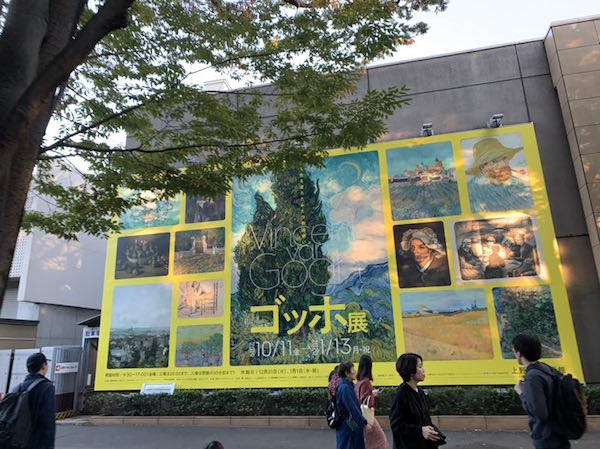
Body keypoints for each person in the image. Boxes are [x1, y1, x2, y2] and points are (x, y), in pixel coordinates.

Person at [512, 333, 570, 449]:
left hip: (547, 436)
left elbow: (539, 413)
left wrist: (521, 392)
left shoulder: (533, 376)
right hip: (559, 431)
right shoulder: (545, 369)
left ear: (519, 354)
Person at [465, 137, 533, 213]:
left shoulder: (519, 184)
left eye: (504, 158)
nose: (502, 164)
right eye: (494, 161)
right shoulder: (472, 190)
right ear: (483, 168)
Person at [389, 353, 442, 449]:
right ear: (411, 371)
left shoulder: (420, 391)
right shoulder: (401, 395)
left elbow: (426, 419)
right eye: (420, 366)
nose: (423, 370)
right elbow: (396, 426)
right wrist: (420, 431)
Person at [21, 352, 55, 449]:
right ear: (43, 366)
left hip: (17, 441)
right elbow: (47, 421)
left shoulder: (18, 387)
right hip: (36, 442)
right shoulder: (47, 387)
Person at [355, 355, 388, 449]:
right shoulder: (366, 382)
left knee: (370, 442)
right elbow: (367, 401)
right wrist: (375, 395)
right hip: (368, 416)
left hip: (361, 415)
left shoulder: (359, 382)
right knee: (381, 441)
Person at [336, 361, 368, 449]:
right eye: (353, 369)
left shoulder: (346, 385)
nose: (355, 371)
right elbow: (353, 408)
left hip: (347, 425)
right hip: (348, 426)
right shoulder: (345, 388)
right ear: (347, 373)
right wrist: (363, 423)